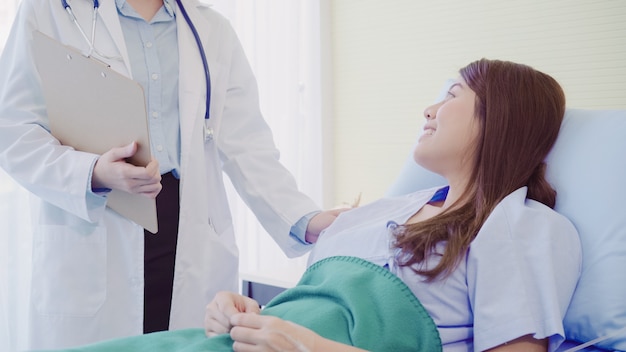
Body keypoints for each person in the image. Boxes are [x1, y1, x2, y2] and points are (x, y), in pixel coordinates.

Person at [44, 59, 582, 352]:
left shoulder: (517, 221)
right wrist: (238, 314)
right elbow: (306, 308)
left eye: (453, 95)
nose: (430, 108)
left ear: (499, 118)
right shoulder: (388, 209)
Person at [0, 1, 343, 351]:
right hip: (97, 223)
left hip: (188, 236)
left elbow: (247, 145)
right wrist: (93, 173)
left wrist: (304, 219)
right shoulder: (49, 11)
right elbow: (13, 128)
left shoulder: (211, 29)